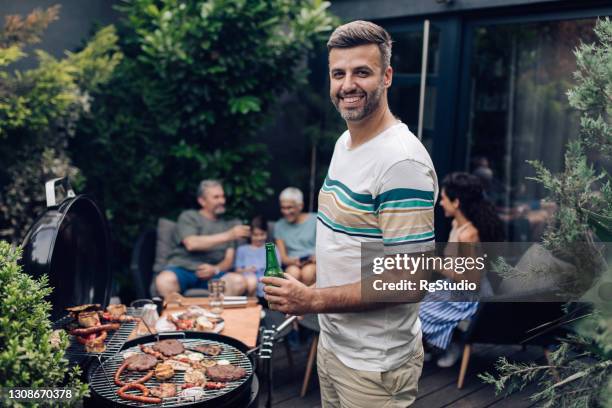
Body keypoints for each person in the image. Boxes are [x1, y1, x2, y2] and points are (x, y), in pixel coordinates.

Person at [262, 21, 438, 407]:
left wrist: (313, 300)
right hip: (335, 346)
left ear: (387, 76)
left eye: (362, 72)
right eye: (338, 73)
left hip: (375, 366)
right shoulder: (345, 142)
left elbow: (410, 282)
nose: (347, 85)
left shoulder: (400, 163)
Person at [419, 172, 504, 367]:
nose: (440, 203)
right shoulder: (457, 224)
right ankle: (434, 346)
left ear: (456, 202)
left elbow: (472, 283)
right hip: (454, 287)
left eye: (443, 198)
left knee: (418, 306)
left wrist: (436, 265)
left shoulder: (468, 236)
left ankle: (450, 344)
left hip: (470, 297)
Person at [155, 180, 250, 297]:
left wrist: (215, 269)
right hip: (183, 270)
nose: (222, 201)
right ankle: (180, 313)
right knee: (163, 281)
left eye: (222, 196)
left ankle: (221, 314)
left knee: (238, 282)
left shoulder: (228, 225)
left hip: (214, 275)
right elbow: (191, 243)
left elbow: (229, 260)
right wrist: (229, 235)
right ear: (202, 201)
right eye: (216, 197)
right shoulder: (189, 217)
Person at [274, 187, 317, 285]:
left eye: (289, 207)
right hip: (292, 263)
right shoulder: (279, 225)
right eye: (283, 208)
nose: (286, 212)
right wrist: (293, 261)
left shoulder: (315, 220)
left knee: (308, 273)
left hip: (313, 262)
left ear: (300, 206)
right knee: (293, 273)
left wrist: (316, 257)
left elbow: (325, 246)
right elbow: (283, 258)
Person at [234, 215, 280, 301]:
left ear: (266, 233)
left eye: (262, 234)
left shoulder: (272, 248)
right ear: (250, 234)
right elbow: (237, 270)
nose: (259, 238)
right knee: (252, 281)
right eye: (255, 235)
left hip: (267, 281)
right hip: (250, 282)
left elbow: (277, 268)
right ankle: (251, 305)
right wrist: (247, 270)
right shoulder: (242, 250)